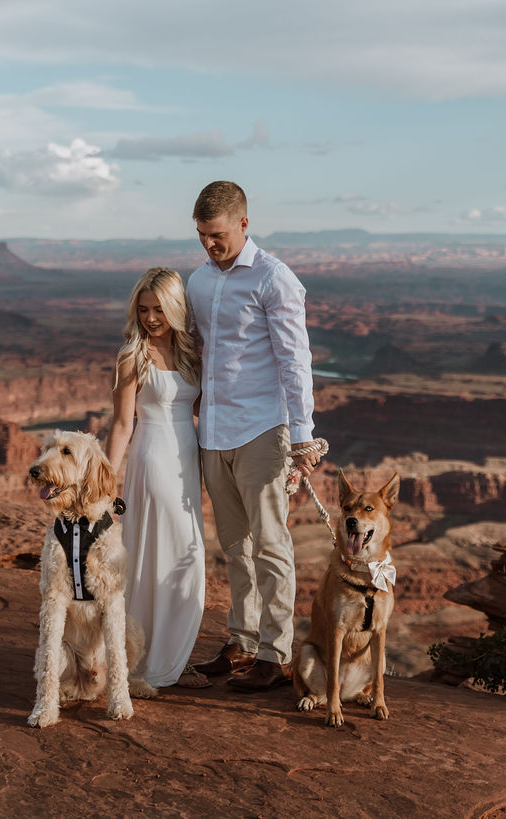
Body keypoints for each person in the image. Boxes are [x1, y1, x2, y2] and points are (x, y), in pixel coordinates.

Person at [187, 181, 322, 692]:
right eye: (201, 235)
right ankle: (242, 642)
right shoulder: (198, 282)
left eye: (216, 234)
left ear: (244, 224)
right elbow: (197, 350)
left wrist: (303, 438)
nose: (208, 245)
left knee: (270, 544)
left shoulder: (275, 280)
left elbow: (295, 360)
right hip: (214, 432)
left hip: (264, 429)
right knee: (234, 546)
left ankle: (276, 653)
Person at [105, 267, 210, 689]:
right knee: (169, 558)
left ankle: (166, 657)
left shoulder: (191, 355)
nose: (151, 318)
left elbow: (205, 408)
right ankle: (154, 663)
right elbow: (121, 425)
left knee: (179, 559)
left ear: (176, 309)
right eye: (144, 309)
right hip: (152, 461)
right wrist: (105, 486)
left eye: (160, 309)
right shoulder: (133, 356)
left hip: (188, 462)